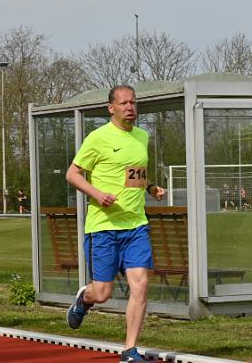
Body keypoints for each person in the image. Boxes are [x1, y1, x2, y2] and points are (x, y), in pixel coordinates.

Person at [65, 85, 164, 363]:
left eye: (133, 102)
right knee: (103, 293)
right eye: (123, 103)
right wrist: (97, 194)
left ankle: (129, 351)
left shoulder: (142, 136)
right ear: (111, 108)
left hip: (136, 225)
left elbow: (135, 174)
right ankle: (85, 298)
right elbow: (72, 174)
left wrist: (150, 187)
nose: (129, 107)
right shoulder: (97, 138)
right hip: (104, 228)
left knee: (140, 284)